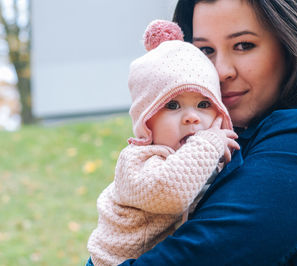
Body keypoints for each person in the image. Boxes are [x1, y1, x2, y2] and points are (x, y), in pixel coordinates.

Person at [116, 0, 297, 265]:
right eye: (205, 50)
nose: (220, 71)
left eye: (243, 45)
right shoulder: (212, 140)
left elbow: (196, 257)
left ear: (291, 47)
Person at [86, 20, 240, 266]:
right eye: (172, 105)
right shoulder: (137, 160)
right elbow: (169, 192)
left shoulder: (205, 155)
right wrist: (209, 143)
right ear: (146, 119)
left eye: (203, 104)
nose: (192, 116)